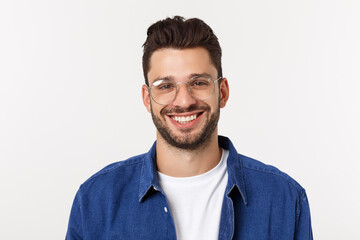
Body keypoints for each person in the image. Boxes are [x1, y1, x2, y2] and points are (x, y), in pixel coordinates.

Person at [66, 16, 313, 240]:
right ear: (146, 98)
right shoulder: (96, 200)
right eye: (165, 86)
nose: (184, 101)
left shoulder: (285, 199)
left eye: (199, 82)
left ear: (223, 92)